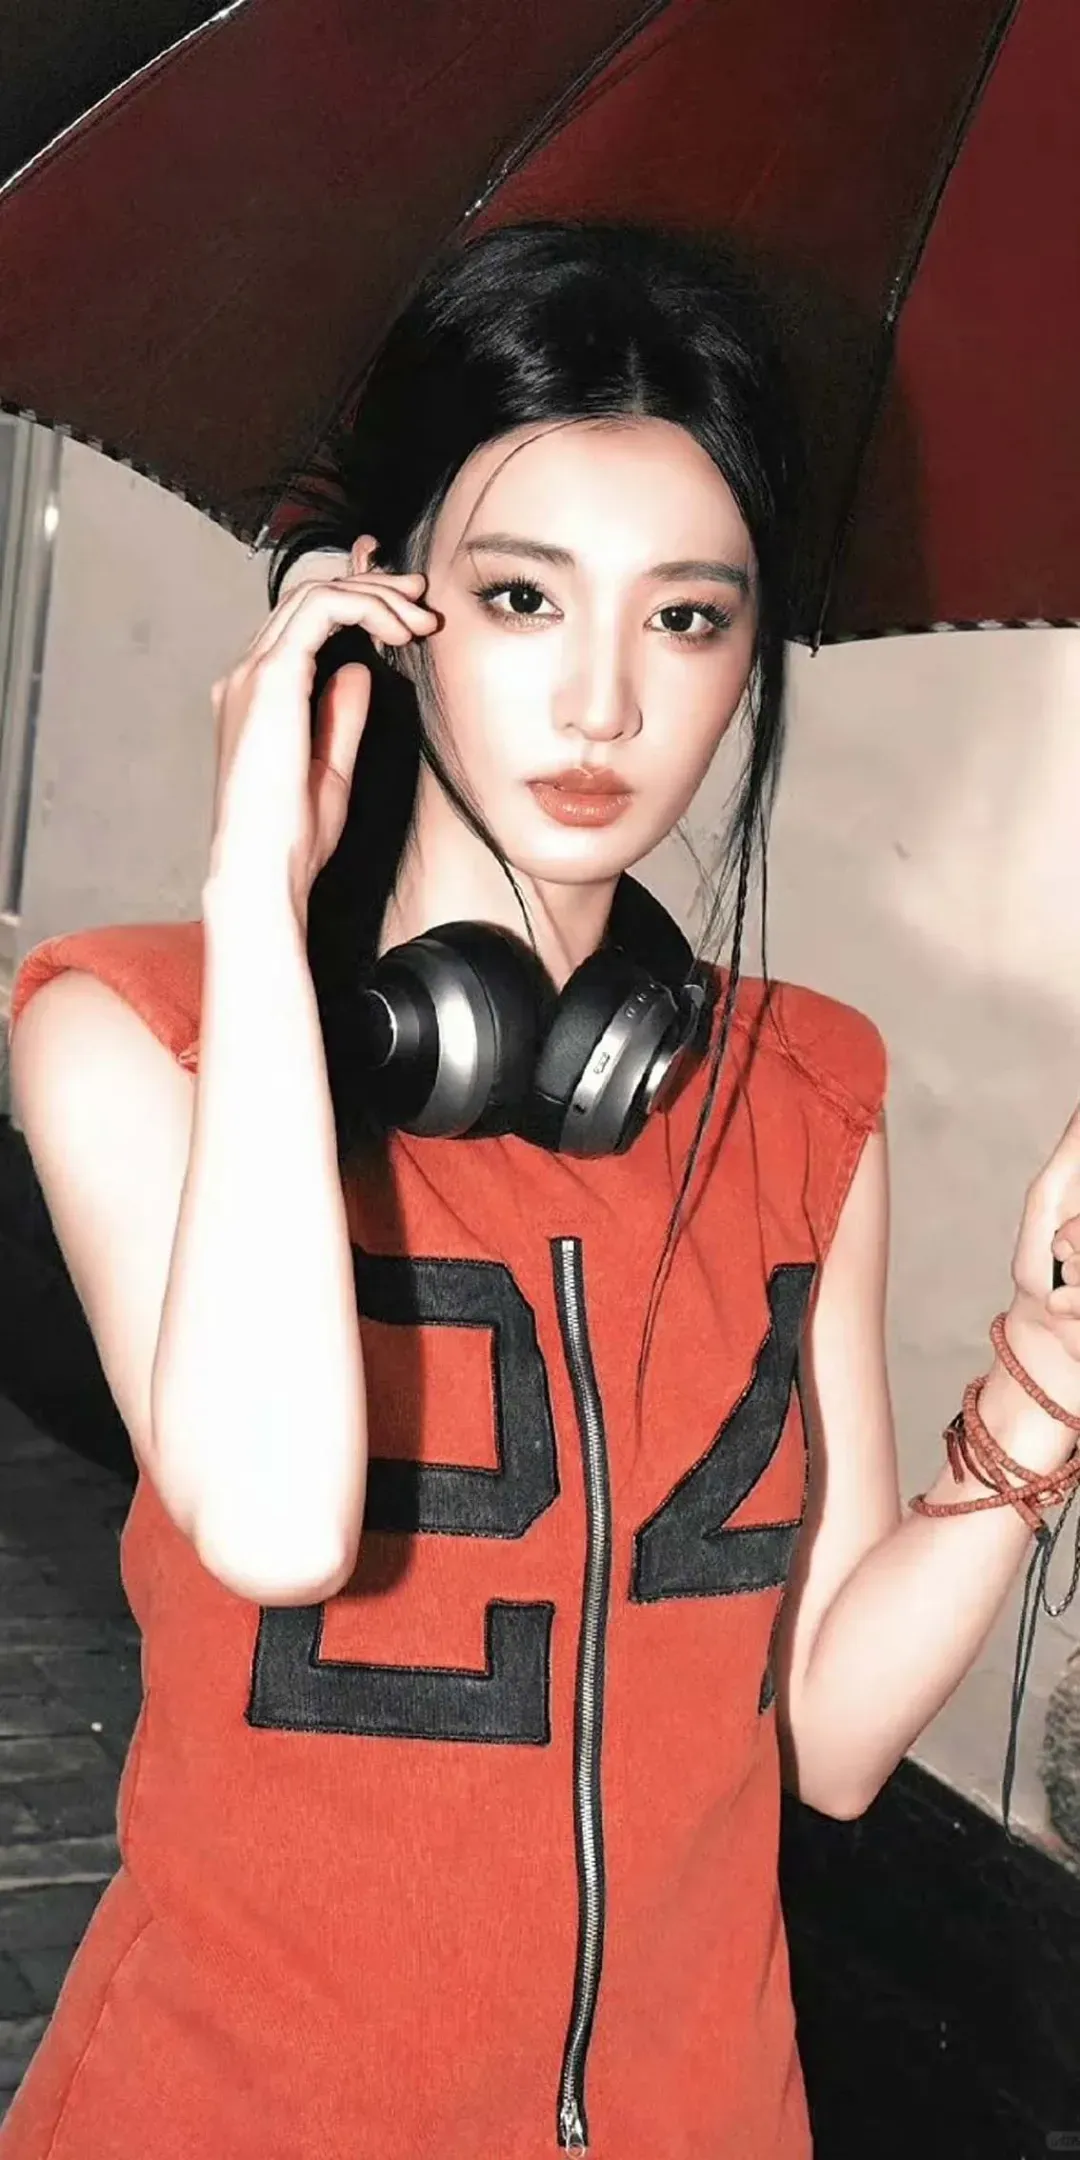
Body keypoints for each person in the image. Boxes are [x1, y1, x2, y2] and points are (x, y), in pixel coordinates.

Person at [4, 217, 1080, 2160]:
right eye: (520, 598)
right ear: (379, 605)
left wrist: (1040, 1389)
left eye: (688, 618)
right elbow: (276, 1520)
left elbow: (831, 1743)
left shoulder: (804, 1096)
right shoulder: (136, 1038)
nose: (603, 705)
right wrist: (258, 900)